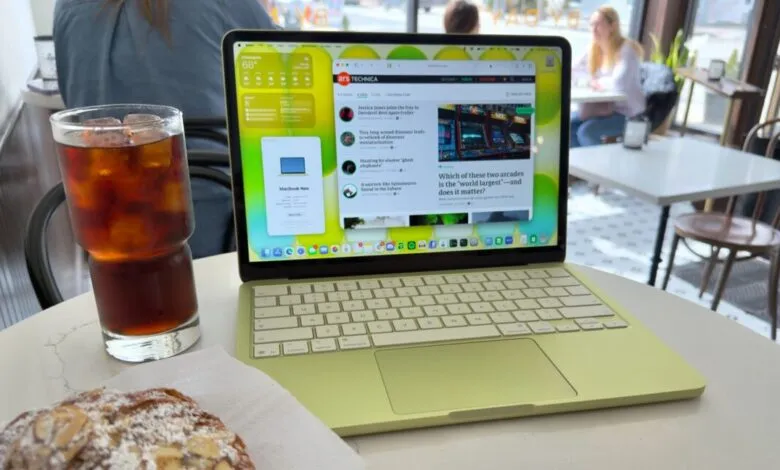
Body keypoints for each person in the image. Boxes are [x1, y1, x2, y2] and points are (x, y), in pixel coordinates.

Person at [53, 0, 275, 259]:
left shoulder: (67, 7)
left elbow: (73, 103)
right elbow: (291, 68)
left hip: (103, 215)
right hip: (218, 217)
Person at [570, 5, 645, 148]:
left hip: (627, 114)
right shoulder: (593, 49)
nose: (593, 29)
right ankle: (577, 167)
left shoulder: (626, 50)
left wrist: (596, 82)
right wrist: (591, 81)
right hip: (600, 109)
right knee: (567, 126)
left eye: (598, 24)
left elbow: (619, 83)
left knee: (586, 132)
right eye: (591, 24)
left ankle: (597, 167)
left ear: (613, 26)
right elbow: (572, 70)